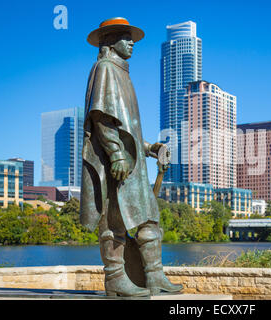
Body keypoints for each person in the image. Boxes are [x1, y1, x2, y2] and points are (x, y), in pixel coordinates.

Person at [80, 17, 183, 297]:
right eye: (125, 38)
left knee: (149, 221)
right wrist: (115, 154)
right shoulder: (105, 68)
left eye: (132, 38)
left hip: (132, 164)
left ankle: (154, 277)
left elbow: (130, 131)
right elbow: (100, 117)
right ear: (110, 41)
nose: (131, 43)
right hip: (117, 165)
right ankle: (115, 278)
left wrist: (150, 149)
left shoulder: (123, 74)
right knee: (115, 222)